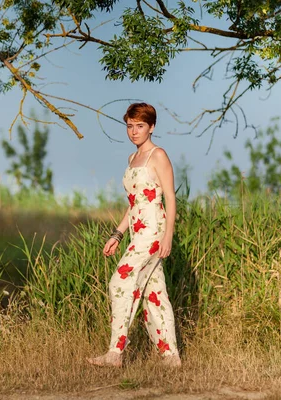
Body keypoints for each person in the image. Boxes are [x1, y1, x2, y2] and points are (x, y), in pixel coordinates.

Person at [87, 103, 181, 368]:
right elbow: (134, 204)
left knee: (120, 283)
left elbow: (171, 198)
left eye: (140, 126)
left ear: (151, 127)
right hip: (137, 231)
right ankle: (170, 357)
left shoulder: (158, 155)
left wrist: (168, 237)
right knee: (154, 293)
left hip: (153, 231)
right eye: (130, 126)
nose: (134, 131)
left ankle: (115, 353)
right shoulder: (132, 159)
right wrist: (117, 234)